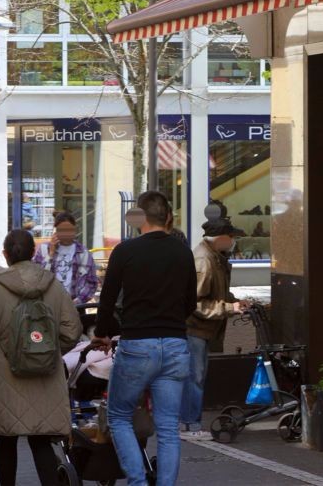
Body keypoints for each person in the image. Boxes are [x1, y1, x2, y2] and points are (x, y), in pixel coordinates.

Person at [93, 191, 196, 486]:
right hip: (176, 345)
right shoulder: (182, 252)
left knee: (120, 416)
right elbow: (190, 303)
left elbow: (107, 301)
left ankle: (137, 482)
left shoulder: (125, 252)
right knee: (167, 428)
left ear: (139, 219)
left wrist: (102, 333)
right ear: (169, 218)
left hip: (138, 344)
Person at [0, 229, 82, 486]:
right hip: (46, 374)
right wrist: (50, 351)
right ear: (34, 252)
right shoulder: (53, 286)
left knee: (6, 441)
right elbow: (72, 330)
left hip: (5, 374)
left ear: (5, 255)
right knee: (41, 441)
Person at [180, 217, 248, 441]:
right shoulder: (205, 261)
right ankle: (191, 425)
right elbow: (195, 302)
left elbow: (215, 294)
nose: (234, 241)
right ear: (221, 238)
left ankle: (188, 422)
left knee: (195, 376)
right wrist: (230, 307)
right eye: (232, 237)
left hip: (202, 329)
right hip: (196, 329)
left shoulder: (214, 258)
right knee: (195, 377)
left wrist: (235, 302)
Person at [32, 211, 99, 304]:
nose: (66, 234)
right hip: (48, 306)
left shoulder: (83, 253)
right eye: (62, 230)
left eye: (69, 230)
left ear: (75, 230)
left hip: (75, 306)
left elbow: (91, 283)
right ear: (56, 231)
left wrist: (78, 301)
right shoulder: (44, 249)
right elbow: (36, 278)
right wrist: (50, 254)